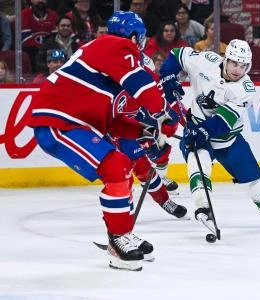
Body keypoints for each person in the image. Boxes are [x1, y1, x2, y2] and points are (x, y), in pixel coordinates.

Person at [27, 11, 179, 271]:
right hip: (59, 122)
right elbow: (143, 86)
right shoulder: (114, 44)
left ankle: (121, 235)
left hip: (75, 123)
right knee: (116, 166)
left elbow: (113, 123)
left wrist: (145, 129)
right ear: (133, 37)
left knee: (123, 165)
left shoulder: (106, 72)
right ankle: (118, 239)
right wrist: (163, 112)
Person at [158, 39, 260, 230]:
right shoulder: (205, 61)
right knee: (199, 166)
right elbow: (177, 55)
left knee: (255, 184)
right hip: (197, 131)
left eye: (243, 66)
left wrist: (200, 131)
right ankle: (203, 208)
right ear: (226, 59)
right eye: (234, 63)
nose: (237, 70)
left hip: (228, 140)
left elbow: (223, 121)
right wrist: (168, 77)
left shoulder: (246, 89)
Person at [21, 0, 59, 72]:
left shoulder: (54, 15)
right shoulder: (24, 14)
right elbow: (25, 38)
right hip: (31, 50)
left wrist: (44, 47)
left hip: (49, 48)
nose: (41, 1)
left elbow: (54, 36)